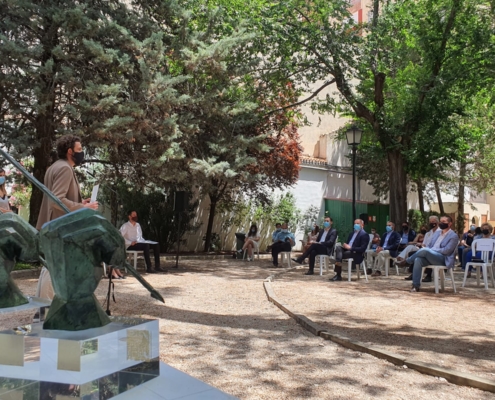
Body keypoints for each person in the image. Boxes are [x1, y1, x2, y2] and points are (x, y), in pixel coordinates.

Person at [34, 135, 99, 321]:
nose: (81, 153)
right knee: (53, 270)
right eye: (79, 150)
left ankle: (44, 310)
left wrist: (80, 201)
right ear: (70, 151)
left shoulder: (55, 167)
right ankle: (43, 312)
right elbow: (57, 200)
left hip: (53, 225)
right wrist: (83, 207)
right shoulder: (64, 168)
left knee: (51, 268)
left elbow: (58, 197)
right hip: (60, 227)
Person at [398, 215, 458, 292]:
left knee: (425, 250)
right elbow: (429, 245)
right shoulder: (437, 233)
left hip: (443, 258)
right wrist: (430, 250)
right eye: (440, 221)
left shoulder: (453, 236)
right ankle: (415, 286)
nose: (441, 223)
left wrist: (432, 250)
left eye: (444, 222)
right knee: (417, 260)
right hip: (432, 256)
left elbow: (447, 250)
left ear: (450, 224)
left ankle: (407, 261)